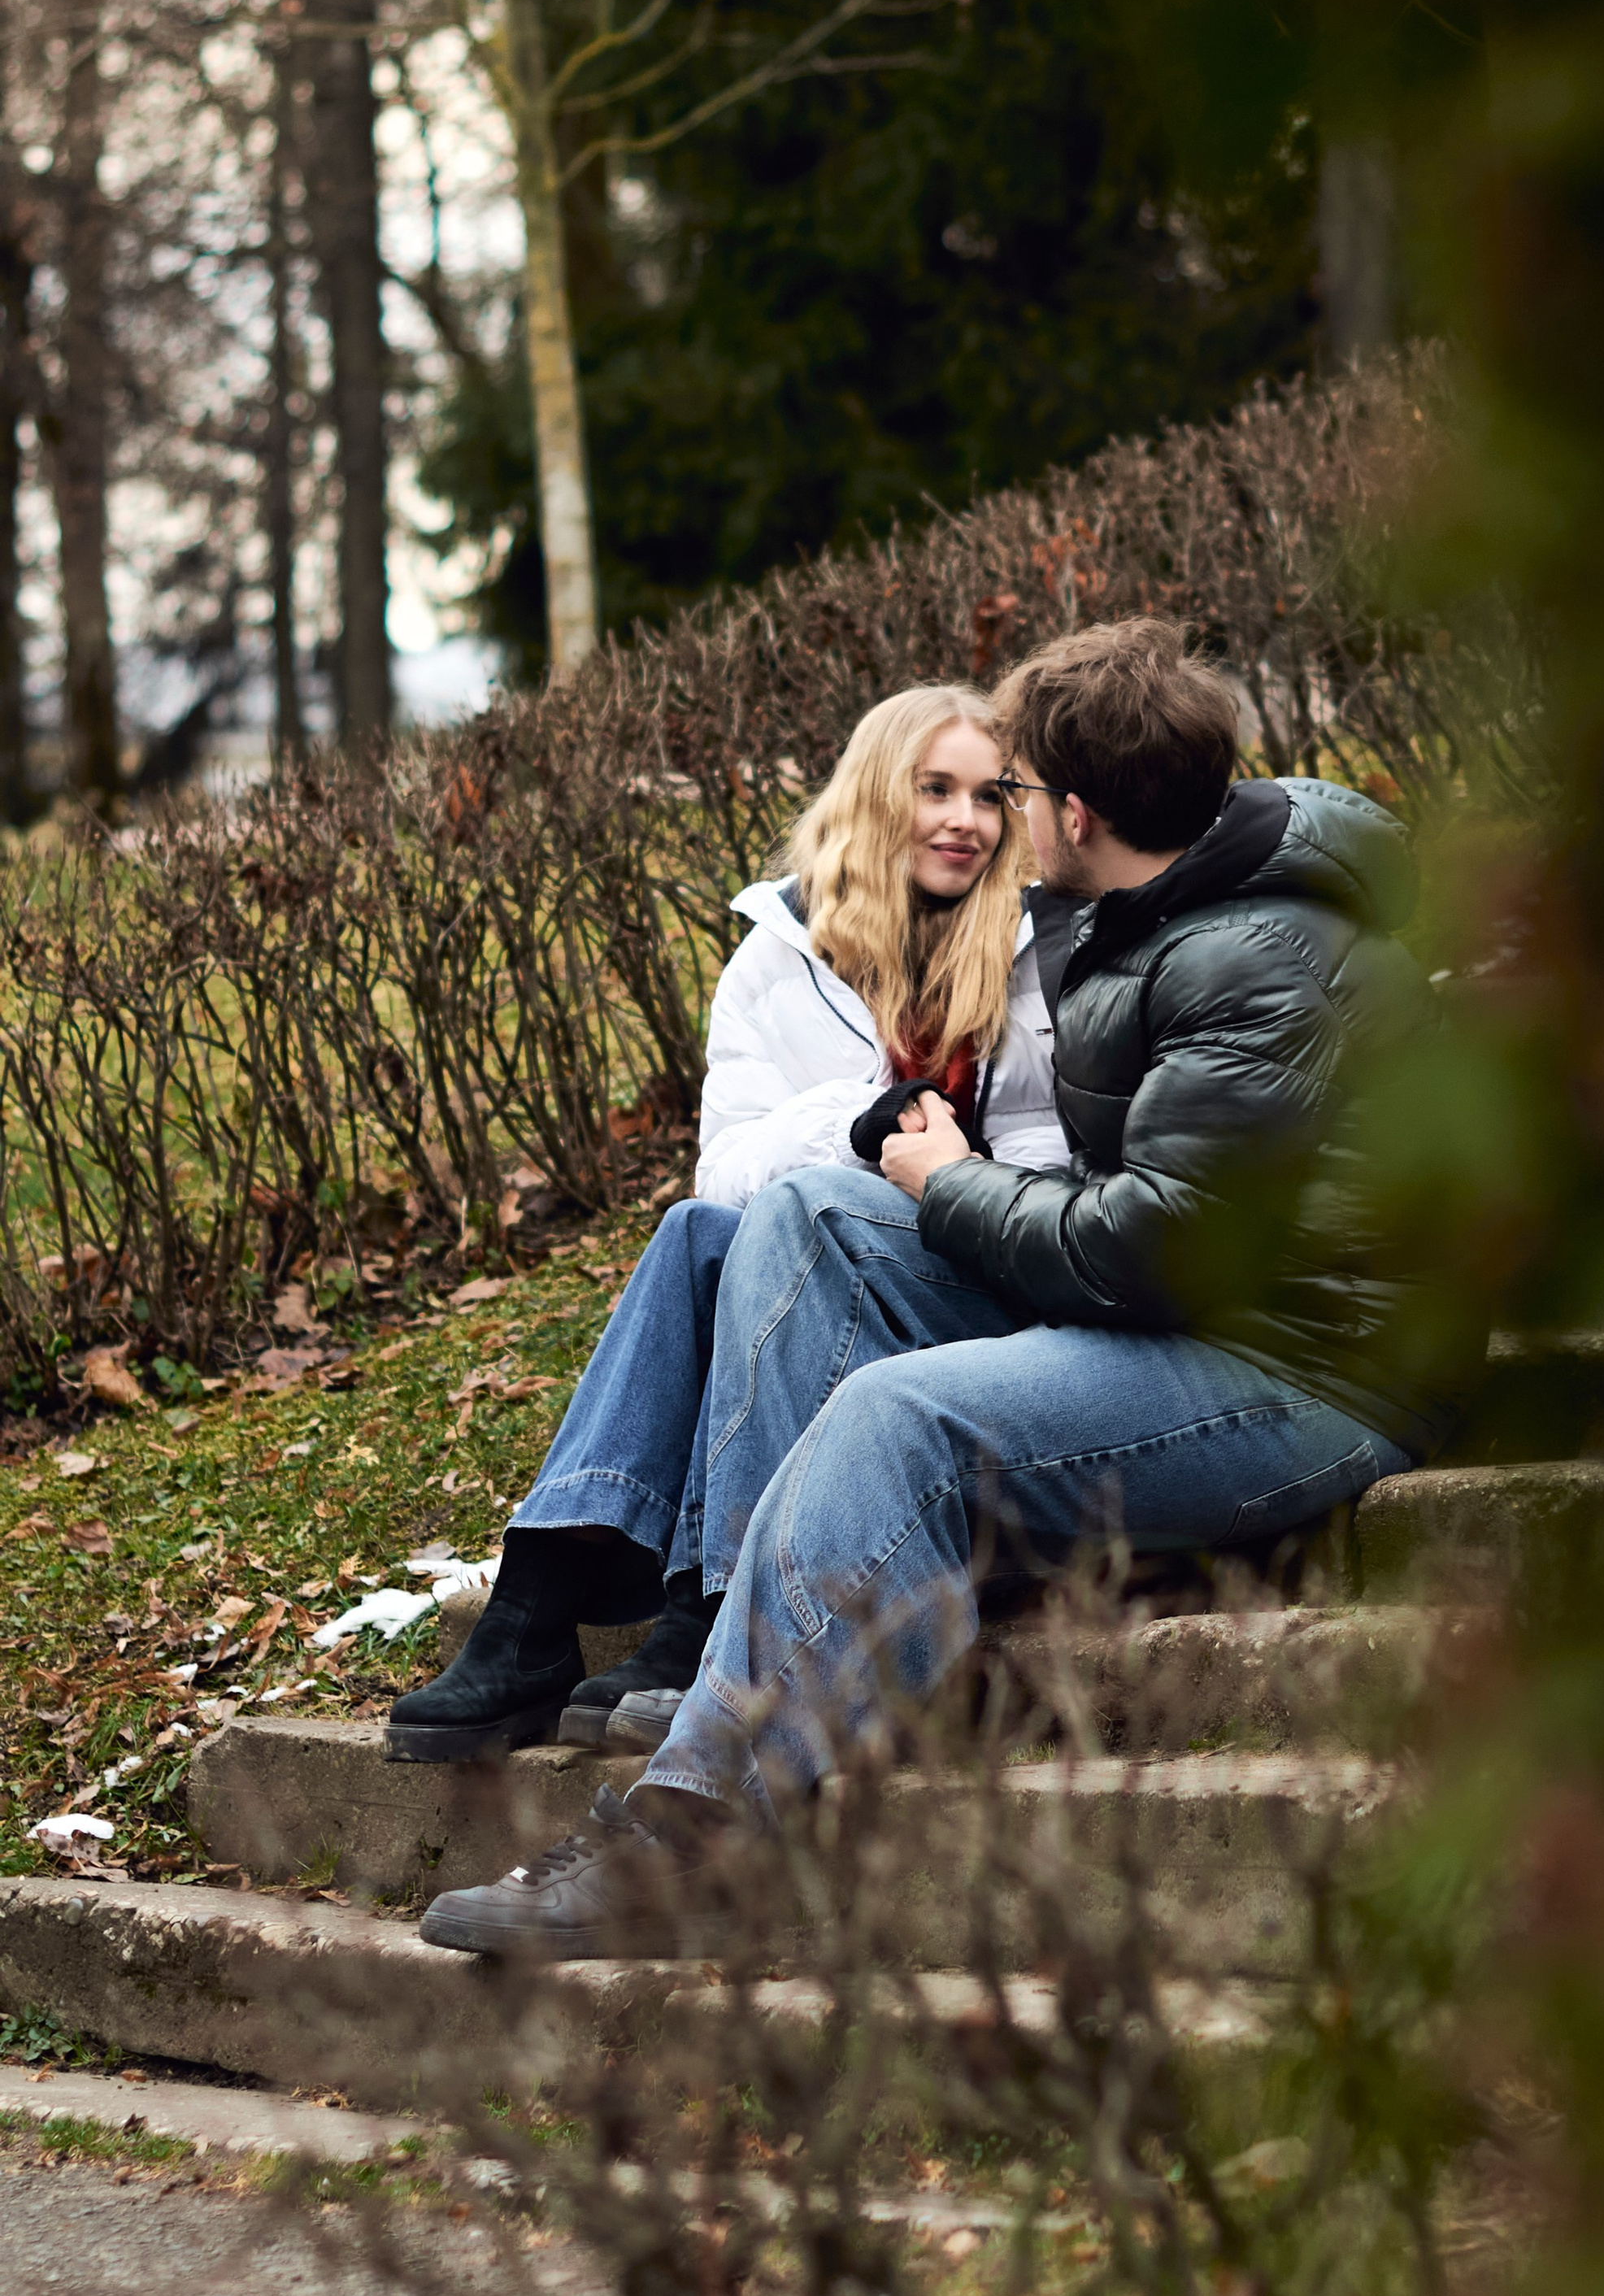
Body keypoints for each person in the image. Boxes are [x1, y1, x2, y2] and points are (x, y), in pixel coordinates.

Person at [419, 615, 1479, 1952]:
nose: (997, 814)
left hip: (1306, 1369)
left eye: (1016, 786)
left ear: (1077, 811)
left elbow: (1155, 1248)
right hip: (1193, 1315)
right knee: (807, 1213)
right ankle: (750, 1658)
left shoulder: (1250, 957)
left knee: (898, 1418)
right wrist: (918, 1170)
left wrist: (950, 1182)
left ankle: (689, 1843)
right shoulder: (1141, 905)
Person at [386, 685, 1067, 1763]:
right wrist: (852, 1128)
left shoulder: (1035, 954)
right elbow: (726, 1173)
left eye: (989, 797)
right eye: (933, 788)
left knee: (778, 1217)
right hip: (802, 1276)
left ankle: (699, 1619)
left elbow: (1050, 1170)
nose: (963, 822)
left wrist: (944, 1172)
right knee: (697, 1235)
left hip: (964, 1290)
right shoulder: (780, 958)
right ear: (875, 796)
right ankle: (538, 1609)